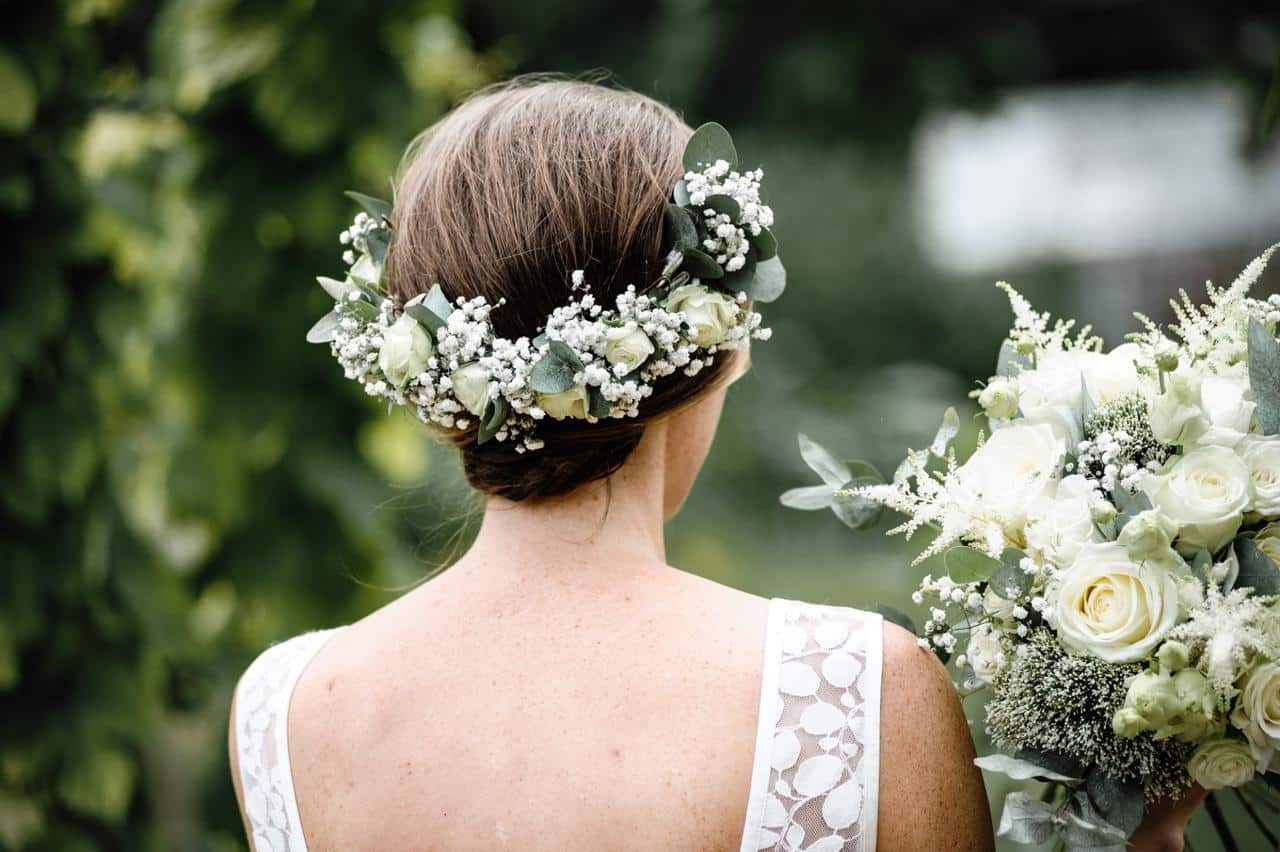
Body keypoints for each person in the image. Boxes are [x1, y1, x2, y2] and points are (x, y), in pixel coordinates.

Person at [228, 76, 1196, 851]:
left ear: (429, 377)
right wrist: (1145, 833)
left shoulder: (285, 708)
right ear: (712, 347)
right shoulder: (856, 693)